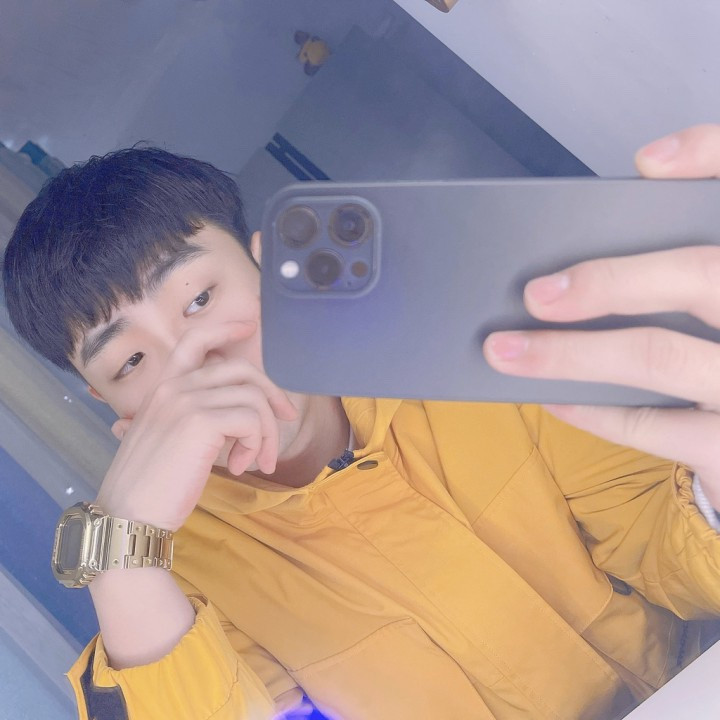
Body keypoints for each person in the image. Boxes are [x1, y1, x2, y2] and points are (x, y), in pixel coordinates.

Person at [3, 123, 720, 720]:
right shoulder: (172, 590)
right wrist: (120, 560)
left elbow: (680, 559)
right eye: (130, 362)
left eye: (200, 299)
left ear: (268, 267)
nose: (195, 364)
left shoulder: (467, 360)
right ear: (110, 406)